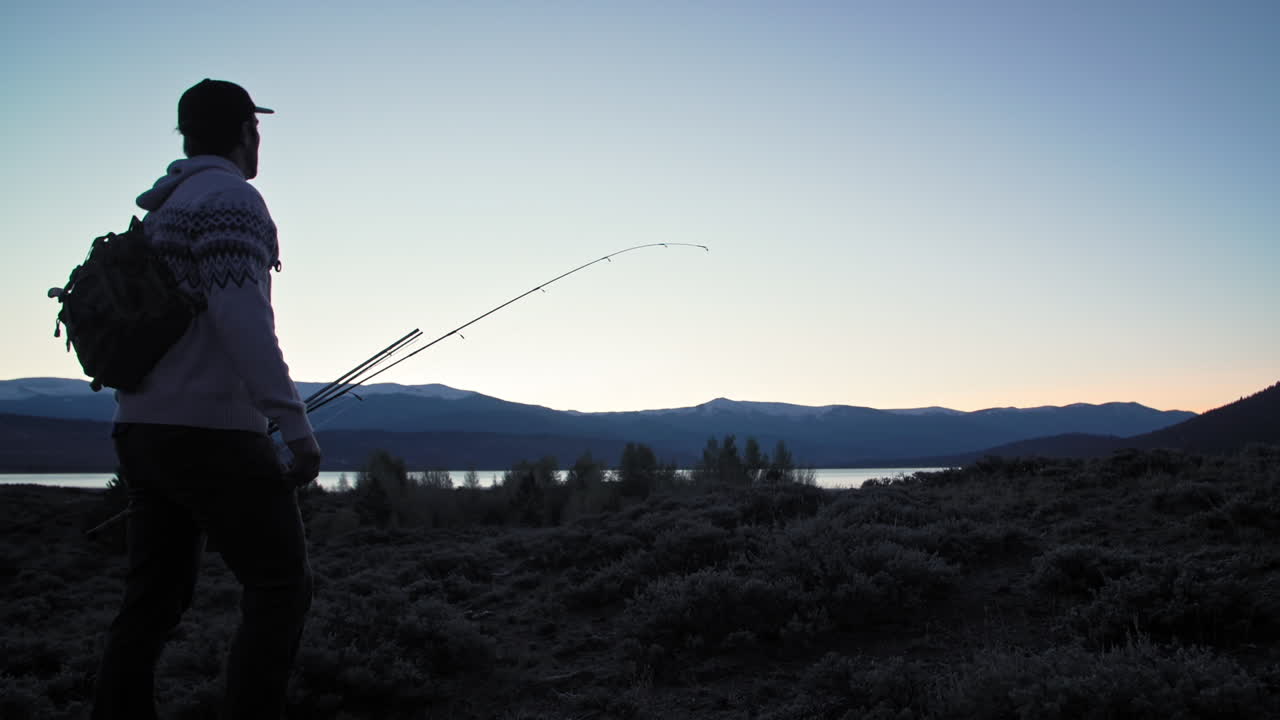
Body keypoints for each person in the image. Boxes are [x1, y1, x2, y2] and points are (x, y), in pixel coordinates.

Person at [91, 79, 322, 720]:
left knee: (152, 603)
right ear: (248, 130)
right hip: (211, 433)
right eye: (256, 129)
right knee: (281, 588)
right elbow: (242, 319)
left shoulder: (167, 207)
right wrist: (294, 427)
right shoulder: (231, 200)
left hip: (141, 429)